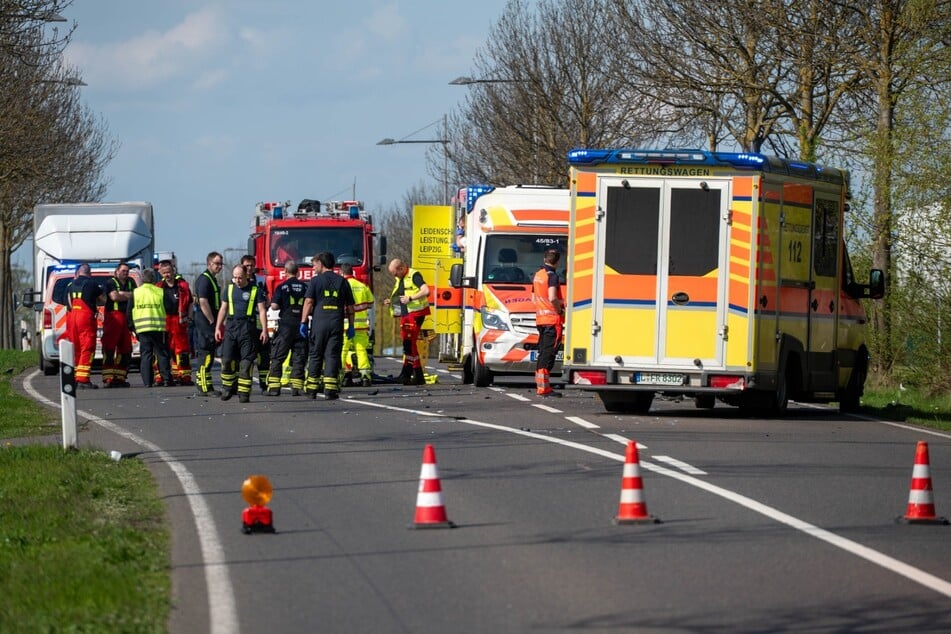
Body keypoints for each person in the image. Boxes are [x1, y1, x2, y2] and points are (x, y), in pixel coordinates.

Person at [300, 252, 354, 400]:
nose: (313, 267)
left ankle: (311, 389)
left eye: (315, 264)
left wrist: (303, 322)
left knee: (316, 354)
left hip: (319, 323)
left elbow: (309, 302)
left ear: (321, 264)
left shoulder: (316, 281)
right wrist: (351, 326)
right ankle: (330, 390)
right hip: (336, 323)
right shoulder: (343, 281)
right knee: (332, 355)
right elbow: (350, 307)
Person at [215, 264, 269, 403]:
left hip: (248, 328)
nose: (237, 280)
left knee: (246, 363)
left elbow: (262, 310)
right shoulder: (229, 288)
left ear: (246, 276)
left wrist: (264, 329)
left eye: (240, 277)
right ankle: (227, 388)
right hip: (232, 327)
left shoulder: (256, 290)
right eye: (235, 277)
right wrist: (218, 327)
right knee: (226, 360)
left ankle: (244, 393)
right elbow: (223, 309)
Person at [383, 258, 430, 385]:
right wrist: (391, 301)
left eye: (395, 273)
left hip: (415, 313)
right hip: (406, 314)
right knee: (408, 344)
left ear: (402, 268)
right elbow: (400, 295)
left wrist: (411, 298)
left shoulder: (414, 275)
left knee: (409, 344)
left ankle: (411, 373)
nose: (394, 276)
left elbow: (426, 290)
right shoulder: (400, 278)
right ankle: (414, 373)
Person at [266, 260, 309, 396]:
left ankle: (274, 388)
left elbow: (274, 306)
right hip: (301, 325)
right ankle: (296, 388)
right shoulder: (305, 287)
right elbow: (310, 304)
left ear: (285, 271)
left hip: (285, 325)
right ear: (298, 272)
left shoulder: (282, 286)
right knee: (299, 356)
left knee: (278, 356)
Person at [128, 268, 173, 388]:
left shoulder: (136, 293)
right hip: (158, 328)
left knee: (146, 355)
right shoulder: (160, 291)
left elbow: (129, 311)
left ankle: (147, 382)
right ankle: (166, 379)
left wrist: (132, 327)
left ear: (142, 279)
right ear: (153, 279)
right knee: (162, 354)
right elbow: (169, 307)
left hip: (142, 329)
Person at [63, 262, 103, 388]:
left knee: (77, 348)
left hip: (72, 317)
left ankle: (75, 377)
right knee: (88, 347)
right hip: (85, 318)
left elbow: (68, 302)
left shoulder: (70, 284)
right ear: (89, 273)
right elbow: (103, 299)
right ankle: (83, 379)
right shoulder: (92, 283)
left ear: (78, 273)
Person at [532, 248, 565, 398]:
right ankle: (544, 389)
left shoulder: (538, 275)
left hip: (540, 320)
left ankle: (541, 386)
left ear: (544, 259)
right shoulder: (552, 276)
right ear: (557, 262)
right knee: (549, 354)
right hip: (552, 320)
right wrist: (560, 311)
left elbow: (534, 299)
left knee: (542, 353)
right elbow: (552, 297)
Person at [156, 260, 193, 386]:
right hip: (165, 320)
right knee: (166, 349)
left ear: (173, 271)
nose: (167, 275)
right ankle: (164, 376)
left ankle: (184, 376)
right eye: (164, 273)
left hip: (179, 320)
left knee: (182, 350)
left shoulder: (182, 286)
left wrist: (189, 317)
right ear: (161, 273)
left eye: (169, 272)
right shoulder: (159, 287)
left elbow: (190, 302)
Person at [339, 262, 375, 387]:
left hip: (345, 325)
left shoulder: (340, 286)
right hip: (361, 325)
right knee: (361, 350)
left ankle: (340, 375)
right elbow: (370, 303)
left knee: (342, 350)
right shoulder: (362, 286)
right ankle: (365, 376)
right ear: (352, 273)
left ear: (341, 273)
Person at [193, 251, 224, 396]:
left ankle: (206, 385)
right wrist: (212, 321)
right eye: (216, 263)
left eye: (220, 264)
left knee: (210, 355)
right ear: (209, 263)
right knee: (206, 355)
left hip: (210, 323)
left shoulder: (211, 279)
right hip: (206, 324)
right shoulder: (204, 280)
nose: (219, 267)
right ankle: (204, 388)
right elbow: (203, 302)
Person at [101, 261, 136, 388]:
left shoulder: (131, 282)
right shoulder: (111, 282)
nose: (125, 273)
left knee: (126, 349)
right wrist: (129, 296)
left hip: (127, 318)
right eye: (123, 271)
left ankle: (120, 377)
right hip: (113, 318)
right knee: (109, 348)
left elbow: (136, 296)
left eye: (127, 271)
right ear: (117, 272)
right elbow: (114, 297)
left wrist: (123, 294)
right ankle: (109, 377)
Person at [241, 254, 270, 393]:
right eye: (246, 265)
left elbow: (267, 299)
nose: (249, 268)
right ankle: (245, 385)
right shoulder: (237, 281)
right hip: (244, 324)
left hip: (259, 321)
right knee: (247, 355)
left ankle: (264, 384)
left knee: (263, 354)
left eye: (252, 265)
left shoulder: (260, 280)